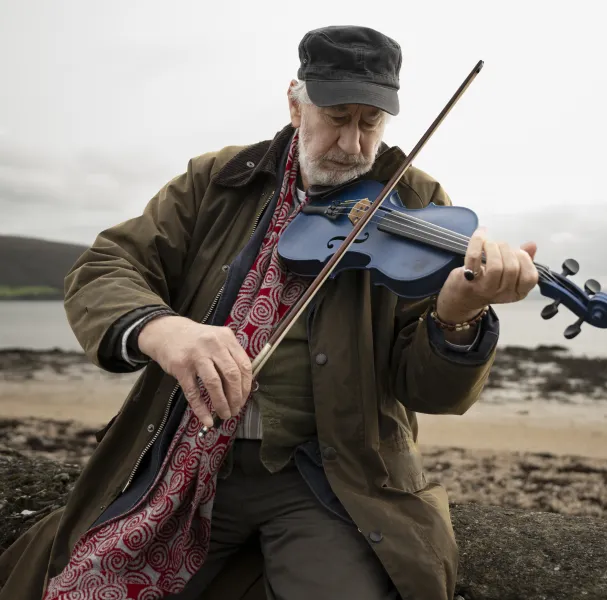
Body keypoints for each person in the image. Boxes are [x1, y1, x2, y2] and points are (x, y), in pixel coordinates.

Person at [0, 25, 538, 600]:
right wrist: (166, 330)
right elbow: (104, 266)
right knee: (81, 583)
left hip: (332, 478)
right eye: (336, 117)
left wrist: (456, 318)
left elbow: (431, 391)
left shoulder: (417, 202)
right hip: (189, 452)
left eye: (370, 123)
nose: (354, 145)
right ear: (295, 102)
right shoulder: (218, 180)